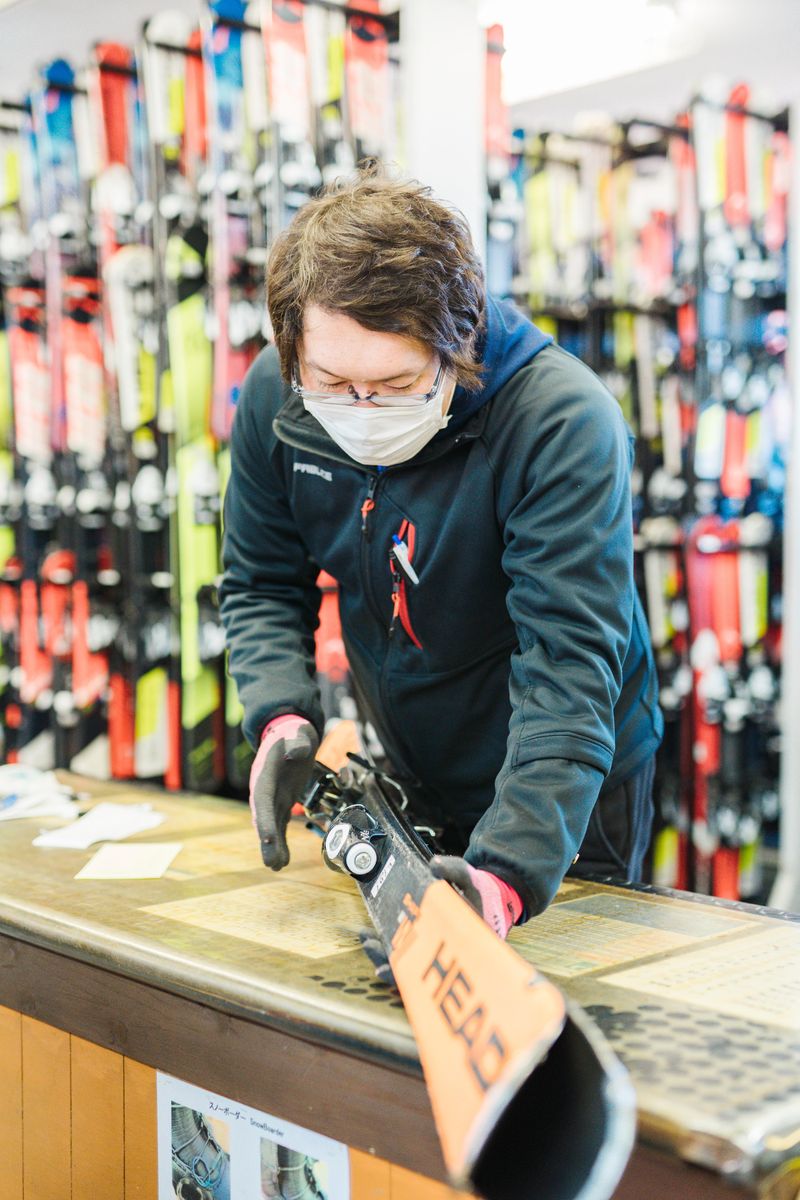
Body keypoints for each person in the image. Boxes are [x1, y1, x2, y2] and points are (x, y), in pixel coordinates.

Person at [219, 165, 663, 938]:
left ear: (457, 345)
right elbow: (261, 581)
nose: (360, 409)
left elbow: (566, 670)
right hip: (417, 766)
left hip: (565, 792)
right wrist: (279, 713)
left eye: (395, 384)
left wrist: (506, 877)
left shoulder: (559, 424)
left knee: (557, 987)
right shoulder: (275, 395)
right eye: (332, 381)